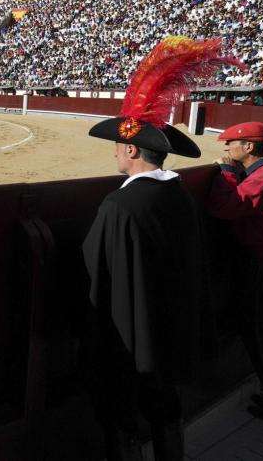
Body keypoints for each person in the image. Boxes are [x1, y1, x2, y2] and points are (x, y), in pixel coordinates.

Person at [80, 36, 230, 461]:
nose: (114, 154)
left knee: (118, 408)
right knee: (164, 406)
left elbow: (96, 268)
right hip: (171, 326)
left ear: (129, 149)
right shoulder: (180, 196)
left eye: (116, 147)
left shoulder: (120, 204)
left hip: (129, 332)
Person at [207, 121, 263, 426]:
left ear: (248, 147)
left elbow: (225, 208)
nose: (227, 149)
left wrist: (227, 173)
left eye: (232, 143)